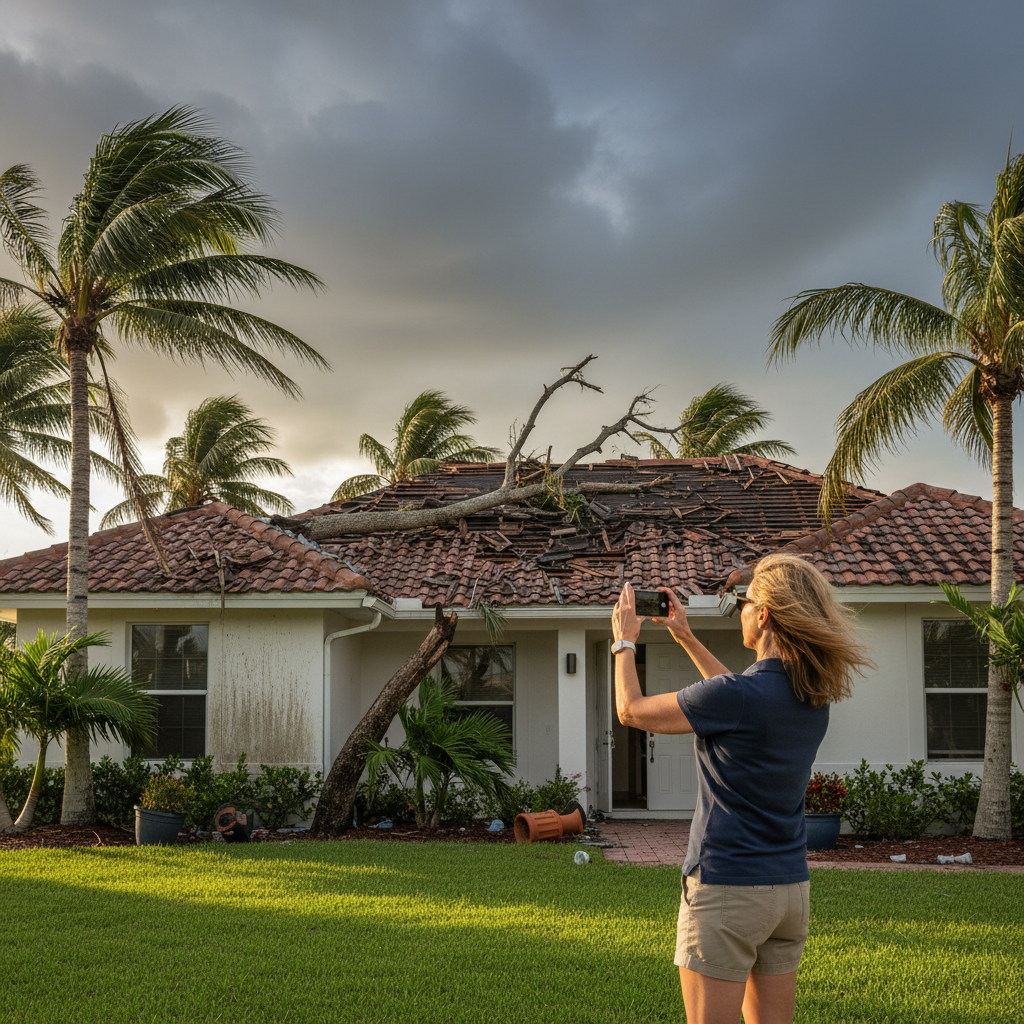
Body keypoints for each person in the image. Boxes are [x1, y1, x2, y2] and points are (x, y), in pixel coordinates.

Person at [611, 553, 872, 1024]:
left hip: (728, 888)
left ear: (765, 615)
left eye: (743, 604)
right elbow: (735, 697)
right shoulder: (812, 698)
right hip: (788, 890)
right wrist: (685, 636)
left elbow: (631, 711)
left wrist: (624, 642)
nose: (740, 612)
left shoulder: (737, 698)